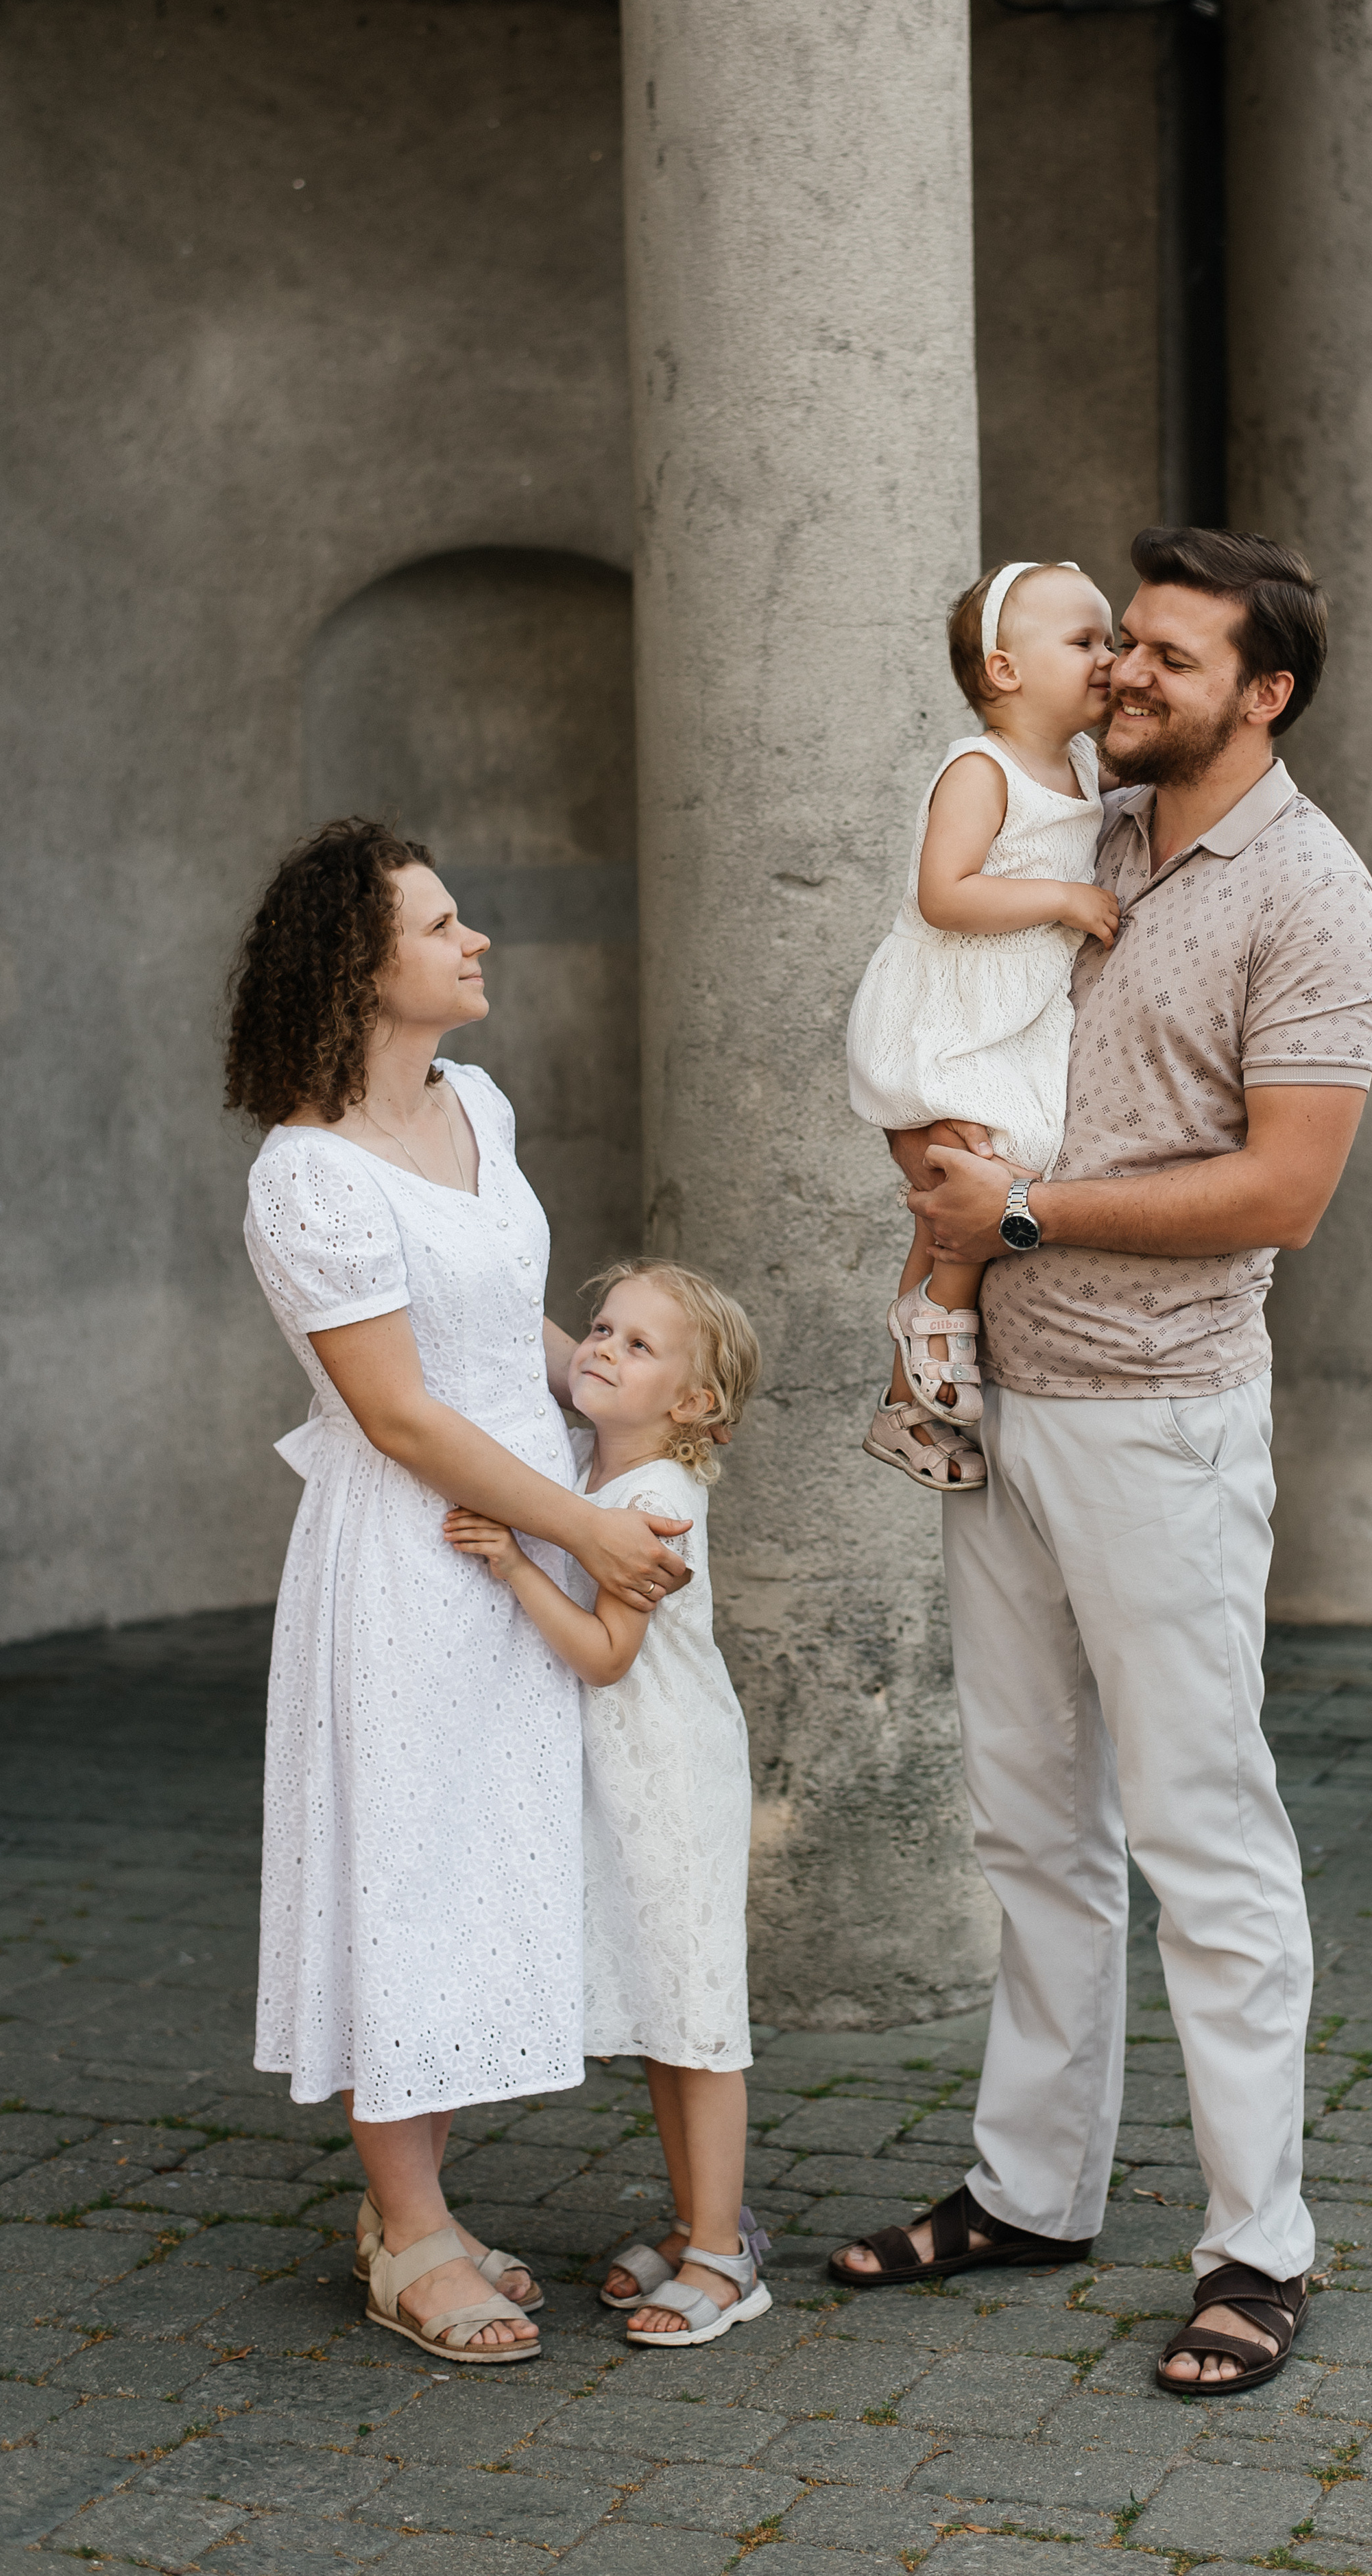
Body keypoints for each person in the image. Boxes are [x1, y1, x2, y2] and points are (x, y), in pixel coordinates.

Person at [830, 529, 1372, 2398]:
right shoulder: (1084, 829)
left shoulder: (1312, 892)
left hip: (1159, 1412)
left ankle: (1258, 2246)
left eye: (1170, 655)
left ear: (1266, 692)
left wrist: (1022, 1214)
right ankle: (1031, 2187)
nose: (1127, 673)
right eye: (1122, 642)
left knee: (1199, 1835)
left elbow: (1284, 1189)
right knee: (1027, 1820)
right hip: (1002, 1396)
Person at [228, 818, 695, 2366]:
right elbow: (401, 1415)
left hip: (533, 1528)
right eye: (440, 925)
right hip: (415, 1554)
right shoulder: (305, 1178)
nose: (474, 938)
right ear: (358, 968)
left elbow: (507, 1334)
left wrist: (631, 1427)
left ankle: (415, 2205)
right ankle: (409, 2232)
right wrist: (586, 1528)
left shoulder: (475, 1101)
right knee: (405, 1870)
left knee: (488, 1859)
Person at [444, 1260, 769, 2349]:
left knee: (699, 2025)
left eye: (638, 1345)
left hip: (671, 1781)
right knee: (666, 2017)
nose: (600, 1349)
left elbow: (603, 1656)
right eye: (600, 1328)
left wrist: (513, 1565)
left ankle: (726, 2257)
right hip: (631, 1783)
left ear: (694, 1403)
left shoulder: (652, 1502)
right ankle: (698, 2224)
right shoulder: (593, 1470)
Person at [845, 561, 1118, 1492]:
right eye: (1084, 641)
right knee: (974, 1170)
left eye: (1110, 639)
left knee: (986, 1182)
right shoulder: (981, 768)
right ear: (1005, 670)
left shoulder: (1084, 765)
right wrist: (1064, 898)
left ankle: (902, 1408)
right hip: (948, 1011)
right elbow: (946, 893)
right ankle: (936, 1328)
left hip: (1015, 1018)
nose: (1109, 658)